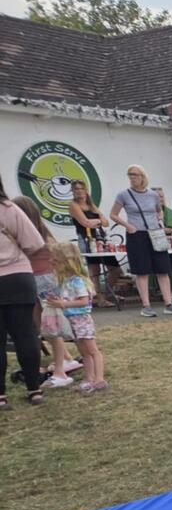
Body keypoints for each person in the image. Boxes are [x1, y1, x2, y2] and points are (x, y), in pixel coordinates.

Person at [110, 165, 172, 317]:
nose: (132, 177)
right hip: (136, 234)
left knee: (163, 269)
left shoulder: (153, 195)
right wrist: (128, 226)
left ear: (143, 176)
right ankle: (146, 305)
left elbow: (159, 210)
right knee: (142, 271)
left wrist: (160, 218)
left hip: (155, 233)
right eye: (130, 174)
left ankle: (168, 303)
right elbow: (113, 214)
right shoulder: (123, 195)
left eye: (135, 175)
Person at [13, 196, 70, 389]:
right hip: (40, 280)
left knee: (51, 327)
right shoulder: (42, 232)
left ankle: (61, 370)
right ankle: (62, 360)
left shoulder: (32, 234)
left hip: (43, 281)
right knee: (41, 326)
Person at [0, 174, 47, 408]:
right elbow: (35, 243)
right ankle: (34, 390)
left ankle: (1, 396)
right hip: (18, 276)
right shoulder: (9, 209)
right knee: (25, 335)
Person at [45, 243, 106, 394]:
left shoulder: (77, 281)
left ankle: (99, 379)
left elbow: (84, 301)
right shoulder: (67, 281)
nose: (52, 262)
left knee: (92, 350)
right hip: (73, 320)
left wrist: (63, 304)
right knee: (84, 351)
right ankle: (89, 377)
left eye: (55, 260)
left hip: (81, 320)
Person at [68, 180, 116, 307]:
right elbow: (85, 223)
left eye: (81, 188)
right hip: (86, 238)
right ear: (72, 191)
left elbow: (106, 222)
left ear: (86, 190)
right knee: (94, 270)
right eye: (76, 189)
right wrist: (97, 221)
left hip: (100, 238)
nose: (79, 191)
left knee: (116, 270)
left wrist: (95, 221)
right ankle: (100, 299)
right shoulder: (73, 205)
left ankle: (103, 294)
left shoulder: (91, 205)